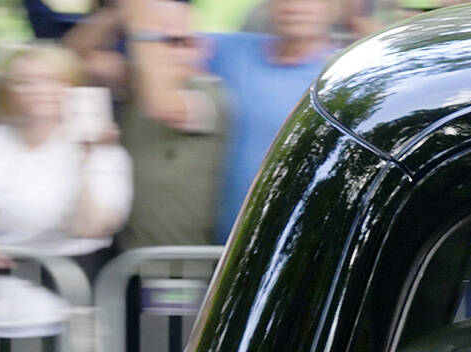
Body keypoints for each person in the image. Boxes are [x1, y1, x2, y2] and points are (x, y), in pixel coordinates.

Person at [0, 43, 132, 274]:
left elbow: (93, 227)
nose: (38, 90)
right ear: (8, 92)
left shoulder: (102, 151)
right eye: (24, 82)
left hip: (62, 287)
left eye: (51, 80)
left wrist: (86, 158)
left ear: (74, 87)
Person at [207, 0, 341, 240]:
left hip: (296, 244)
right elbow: (158, 38)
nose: (295, 7)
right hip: (225, 247)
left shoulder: (340, 79)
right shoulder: (232, 52)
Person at [119, 0, 227, 249]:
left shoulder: (212, 95)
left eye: (181, 42)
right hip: (132, 251)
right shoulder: (143, 84)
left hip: (179, 258)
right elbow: (77, 56)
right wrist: (117, 14)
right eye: (165, 42)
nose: (169, 52)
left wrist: (141, 31)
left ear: (204, 48)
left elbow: (162, 105)